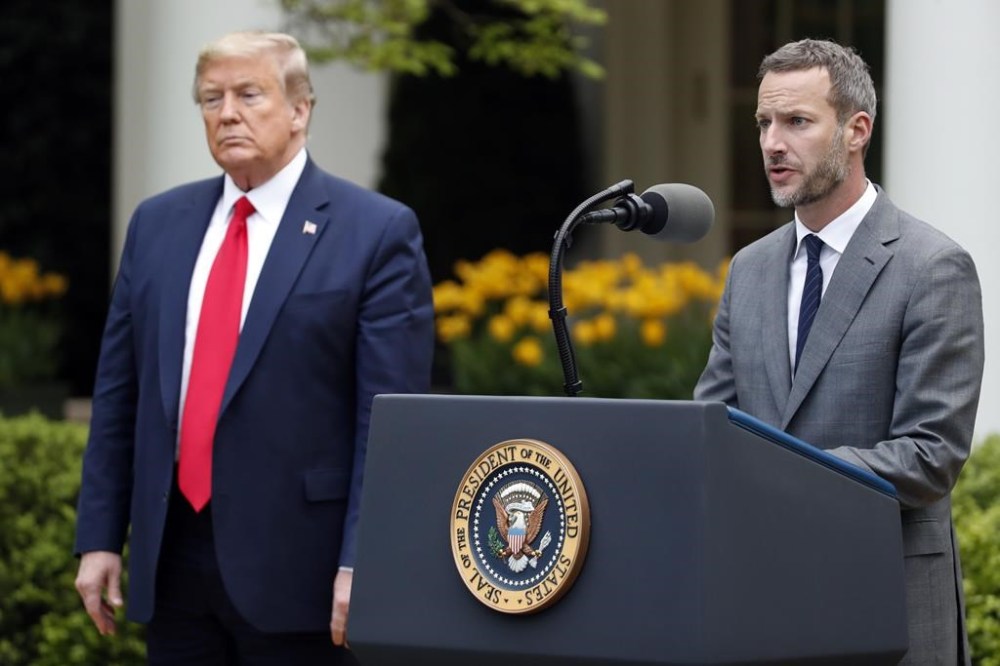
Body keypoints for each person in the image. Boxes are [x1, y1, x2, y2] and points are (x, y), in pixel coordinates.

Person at [73, 30, 434, 664]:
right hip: (173, 559)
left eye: (249, 94)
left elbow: (390, 422)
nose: (227, 114)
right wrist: (99, 537)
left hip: (303, 571)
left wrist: (364, 561)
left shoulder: (376, 232)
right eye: (211, 99)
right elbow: (119, 392)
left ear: (300, 110)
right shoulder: (157, 224)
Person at [694, 38, 984, 664]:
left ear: (857, 131)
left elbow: (930, 455)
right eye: (764, 122)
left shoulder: (933, 267)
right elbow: (711, 428)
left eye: (797, 121)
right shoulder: (750, 268)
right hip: (762, 606)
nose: (773, 143)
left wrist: (782, 478)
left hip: (886, 605)